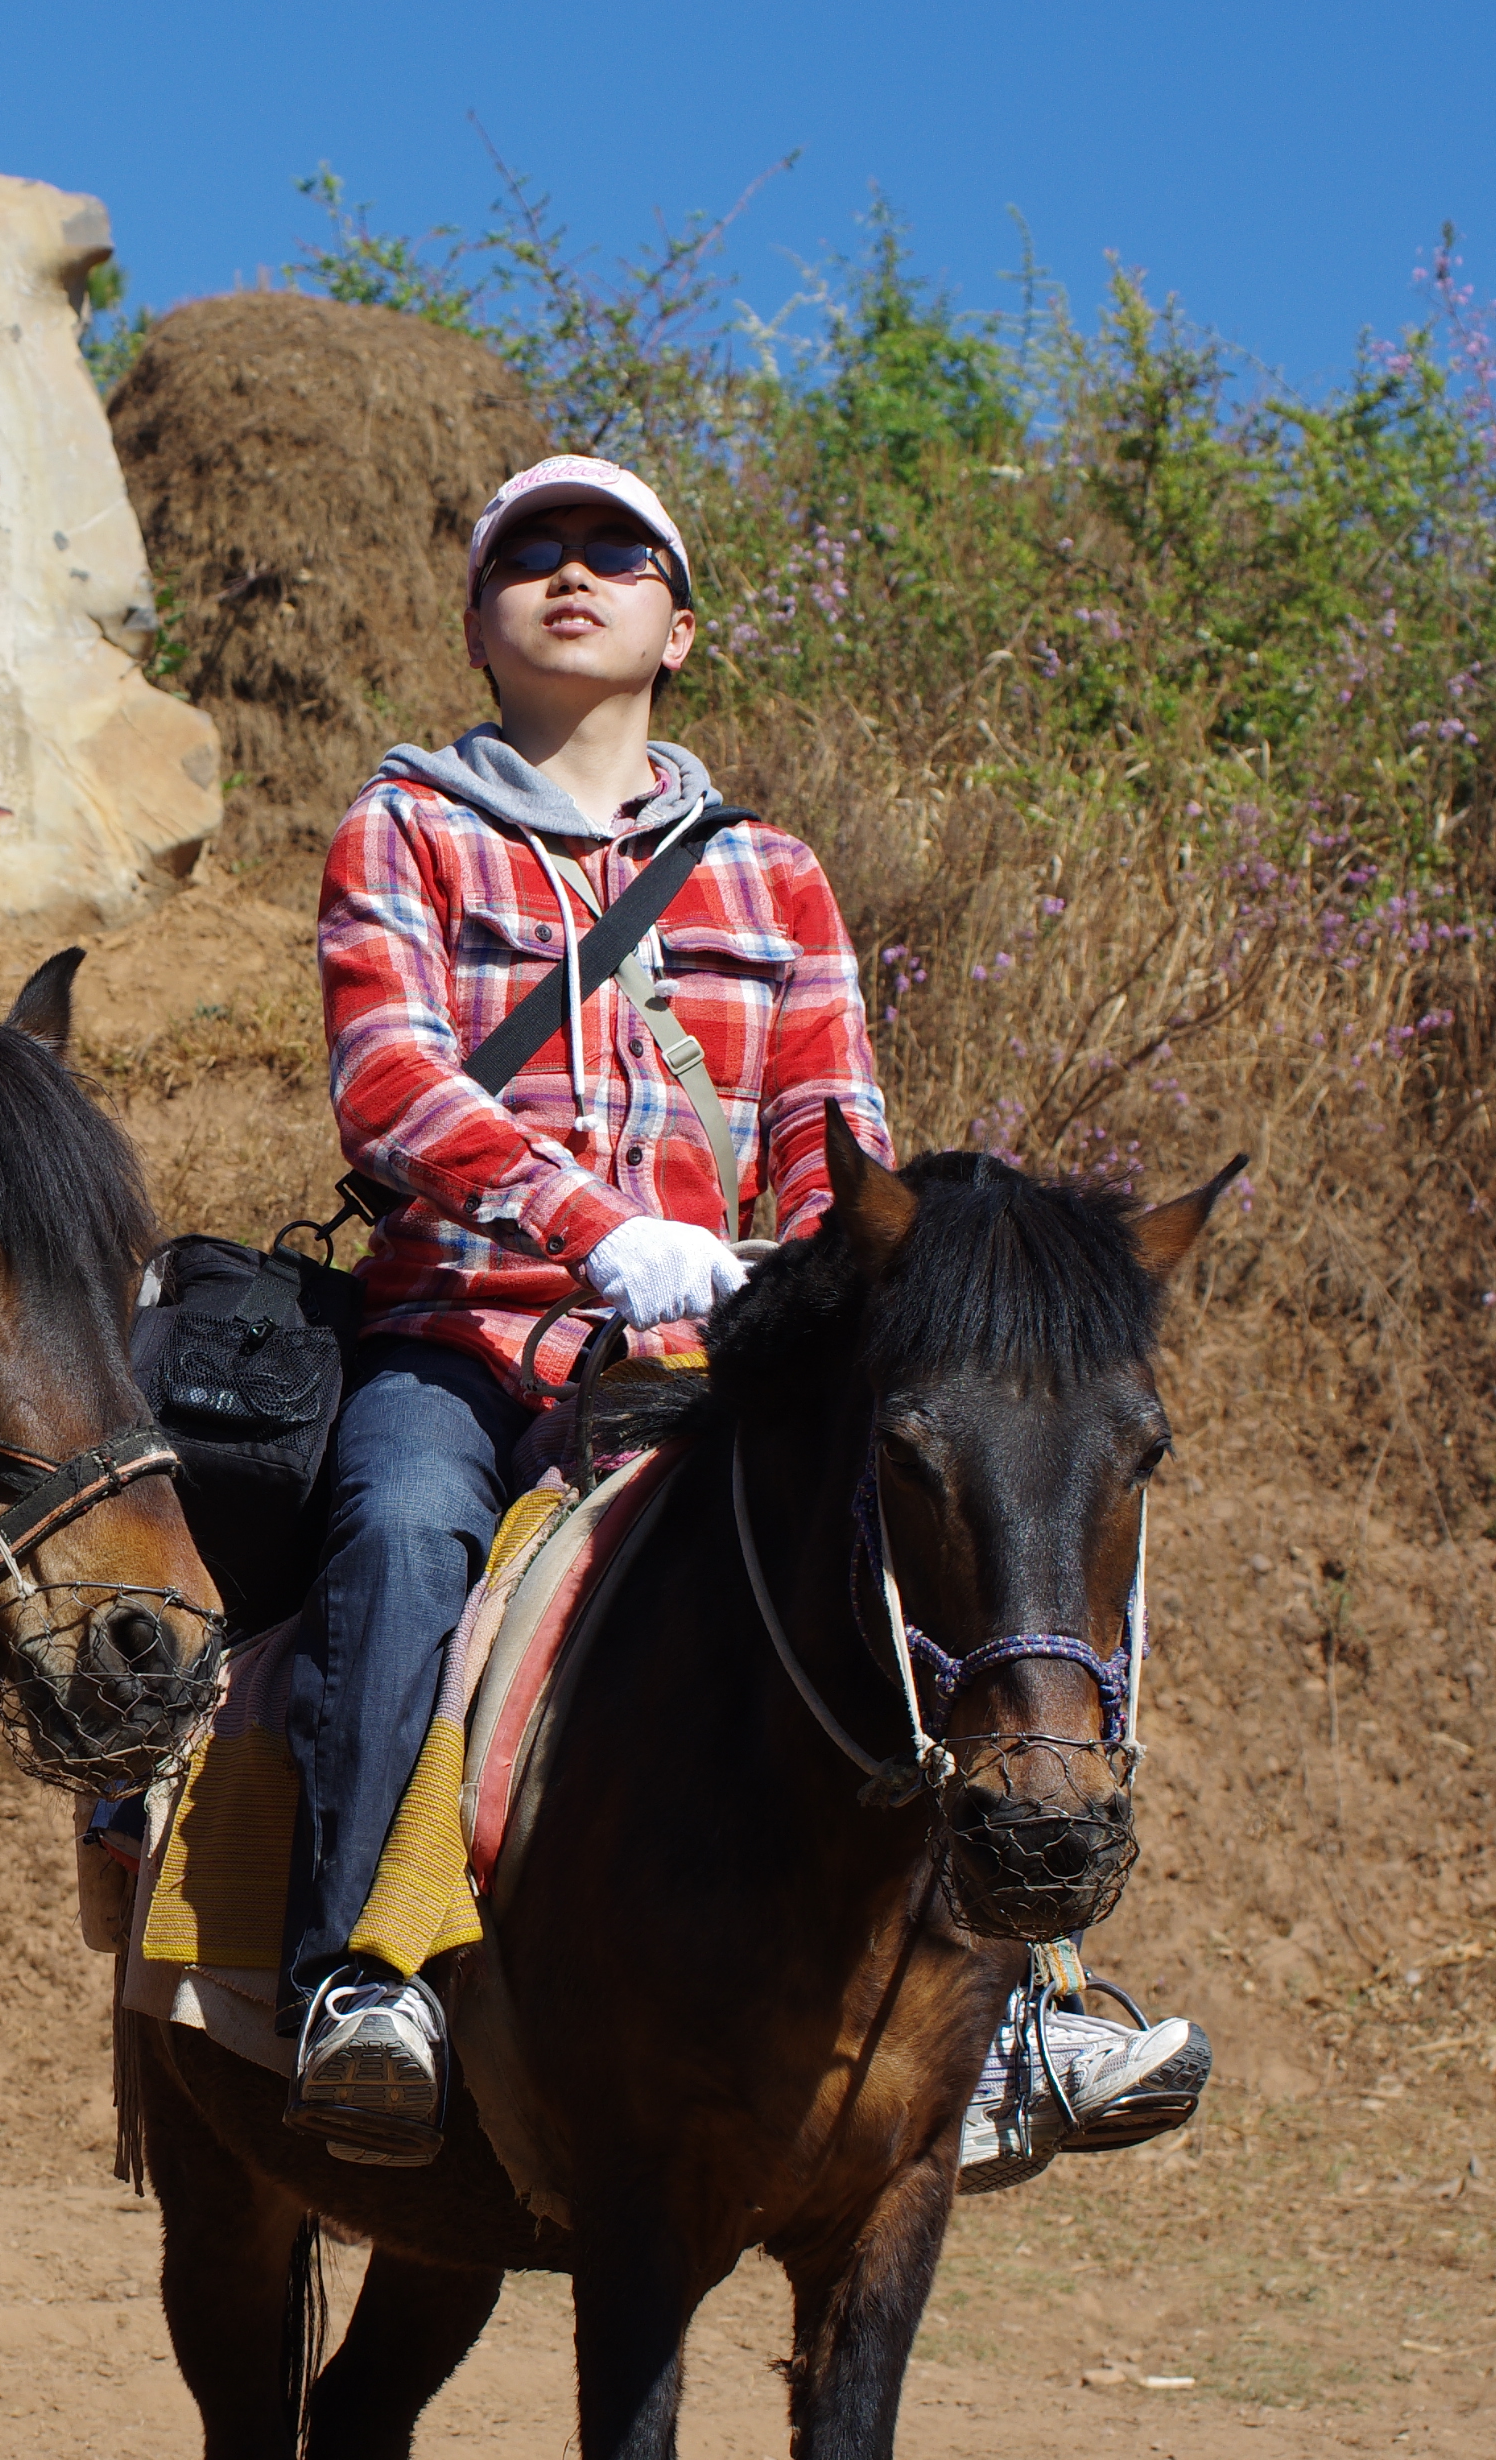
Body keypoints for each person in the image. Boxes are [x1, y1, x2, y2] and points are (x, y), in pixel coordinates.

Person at [285, 451, 1211, 2179]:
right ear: (480, 625)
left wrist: (808, 1289)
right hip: (468, 1339)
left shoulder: (768, 873)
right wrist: (594, 1227)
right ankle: (368, 1975)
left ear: (679, 625)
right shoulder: (400, 827)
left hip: (713, 1361)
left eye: (616, 552)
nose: (575, 574)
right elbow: (389, 1079)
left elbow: (830, 1135)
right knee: (406, 1530)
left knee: (933, 1560)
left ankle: (1023, 2000)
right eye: (531, 553)